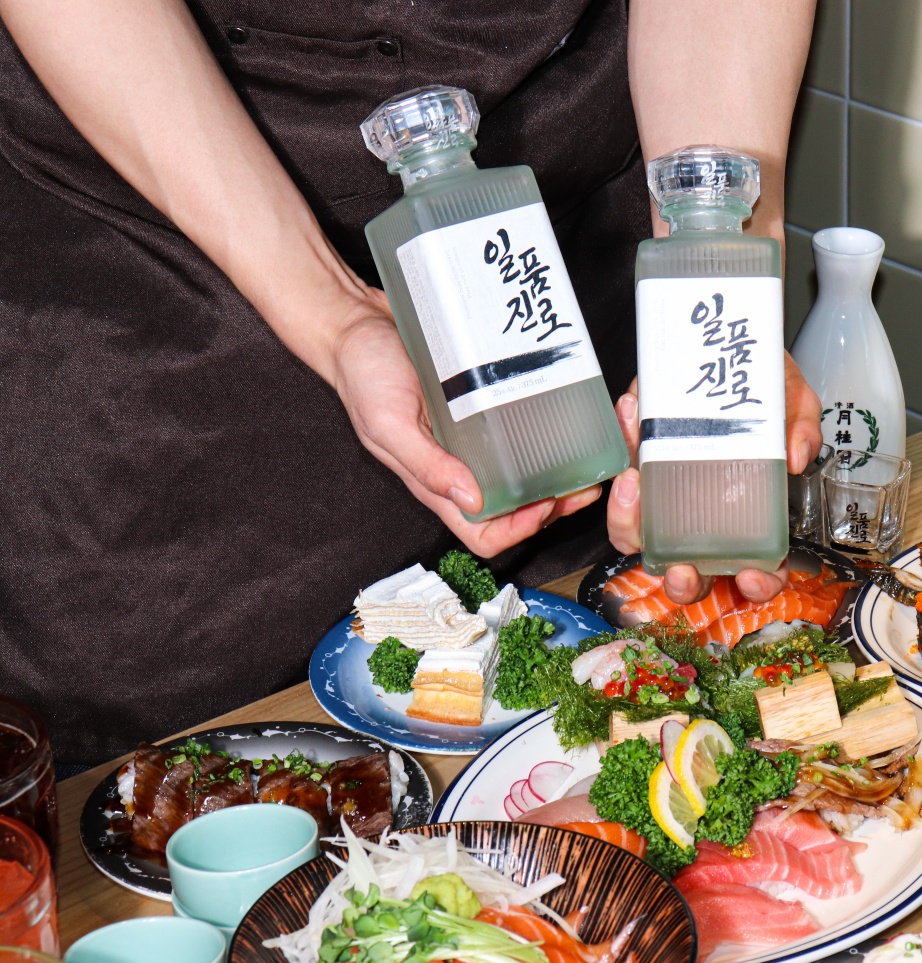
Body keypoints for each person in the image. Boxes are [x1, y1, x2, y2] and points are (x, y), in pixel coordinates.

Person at [0, 0, 822, 766]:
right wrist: (335, 316)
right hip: (157, 307)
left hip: (546, 292)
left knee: (578, 738)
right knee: (179, 777)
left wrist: (718, 303)